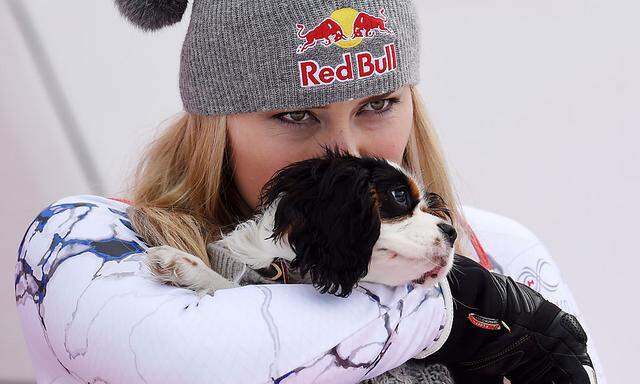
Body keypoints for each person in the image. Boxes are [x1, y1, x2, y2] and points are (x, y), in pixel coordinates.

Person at [14, 0, 605, 383]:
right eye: (297, 115)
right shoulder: (90, 246)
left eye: (377, 105)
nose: (347, 154)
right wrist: (441, 309)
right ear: (215, 127)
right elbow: (191, 362)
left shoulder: (497, 246)